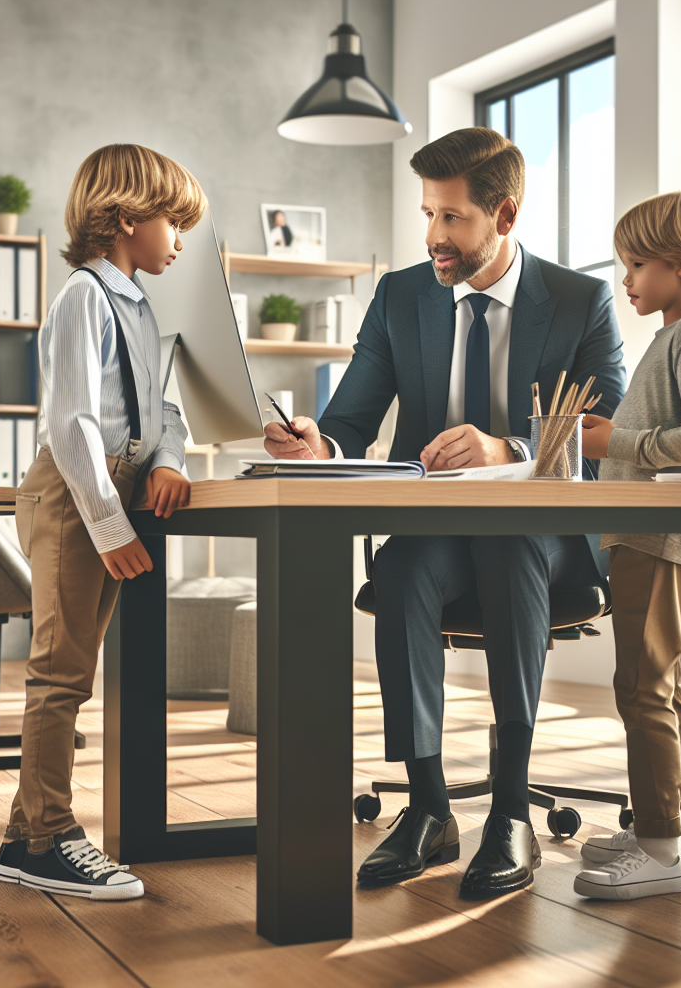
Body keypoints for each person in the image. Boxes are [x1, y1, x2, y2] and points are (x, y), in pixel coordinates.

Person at [263, 127, 626, 898]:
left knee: (513, 546)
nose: (433, 235)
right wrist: (317, 443)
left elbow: (606, 437)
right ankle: (428, 806)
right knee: (399, 570)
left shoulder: (578, 300)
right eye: (427, 213)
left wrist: (506, 448)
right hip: (440, 532)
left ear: (505, 213)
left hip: (547, 536)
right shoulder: (401, 294)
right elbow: (353, 419)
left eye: (452, 217)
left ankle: (510, 812)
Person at [0, 144, 205, 901]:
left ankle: (23, 836)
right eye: (173, 222)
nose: (180, 239)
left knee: (73, 670)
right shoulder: (84, 295)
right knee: (59, 671)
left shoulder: (140, 307)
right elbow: (73, 424)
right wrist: (112, 525)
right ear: (125, 220)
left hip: (113, 492)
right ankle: (49, 840)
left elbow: (162, 410)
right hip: (74, 498)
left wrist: (171, 460)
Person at [572, 190, 681, 901]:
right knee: (654, 686)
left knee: (643, 688)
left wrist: (615, 440)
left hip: (662, 535)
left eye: (637, 264)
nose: (627, 280)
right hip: (647, 534)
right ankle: (663, 828)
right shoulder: (674, 337)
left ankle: (662, 848)